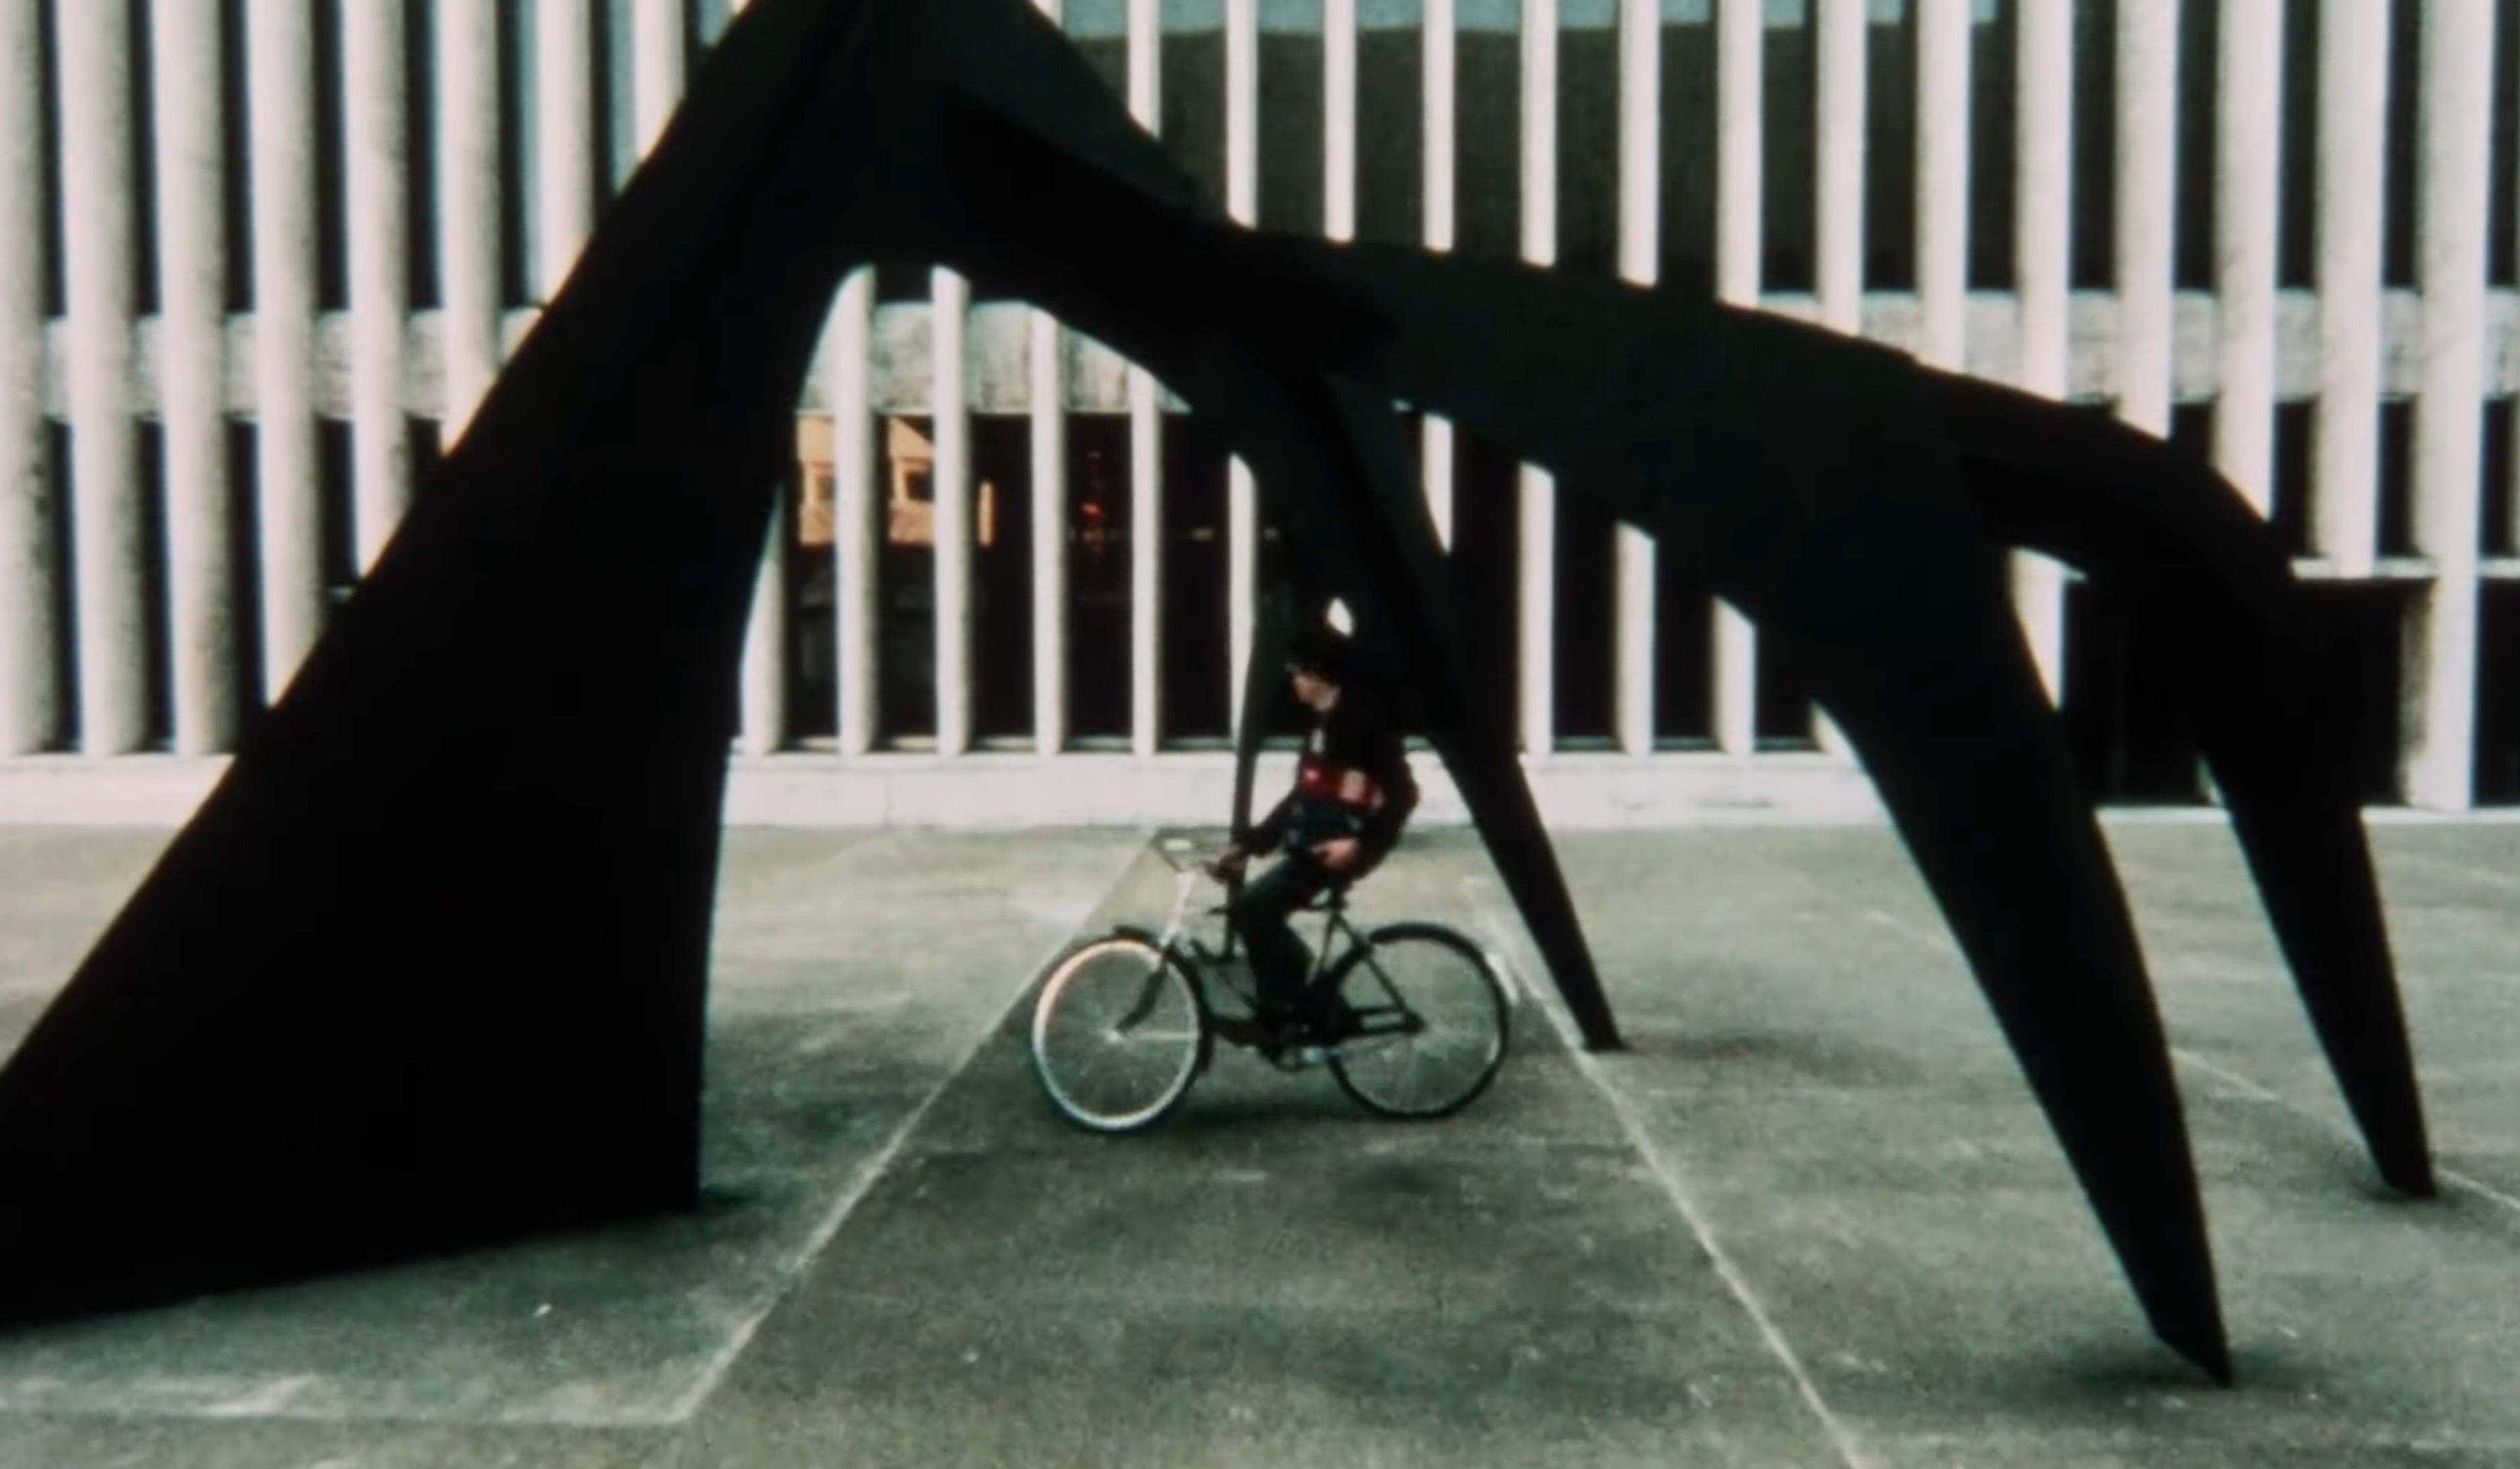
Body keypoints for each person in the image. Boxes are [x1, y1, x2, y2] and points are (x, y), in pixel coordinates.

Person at [1209, 625, 1419, 1038]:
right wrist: (1248, 846)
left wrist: (1360, 845)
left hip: (1339, 848)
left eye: (1296, 672)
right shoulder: (1321, 725)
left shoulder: (1366, 721)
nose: (1293, 681)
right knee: (1258, 911)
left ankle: (1288, 1014)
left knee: (1254, 910)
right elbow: (1301, 798)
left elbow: (1405, 794)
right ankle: (1301, 1006)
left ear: (1316, 674)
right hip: (1315, 844)